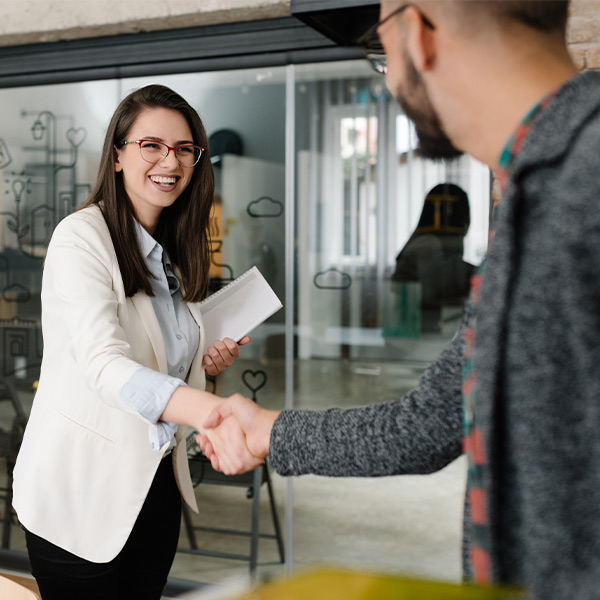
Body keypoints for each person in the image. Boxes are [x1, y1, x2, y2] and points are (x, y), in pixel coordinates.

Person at [199, 1, 600, 597]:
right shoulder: (530, 195)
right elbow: (431, 423)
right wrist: (270, 430)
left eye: (382, 53)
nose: (389, 80)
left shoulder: (582, 180)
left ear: (418, 35)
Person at [12, 84, 257, 600]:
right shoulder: (81, 238)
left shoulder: (175, 250)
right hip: (79, 492)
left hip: (154, 484)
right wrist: (209, 409)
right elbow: (104, 363)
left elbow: (160, 356)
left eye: (184, 149)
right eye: (151, 145)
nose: (170, 160)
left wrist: (202, 359)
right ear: (118, 155)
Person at [391, 182, 474, 333]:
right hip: (414, 332)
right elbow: (441, 283)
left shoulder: (429, 241)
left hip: (422, 328)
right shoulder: (429, 243)